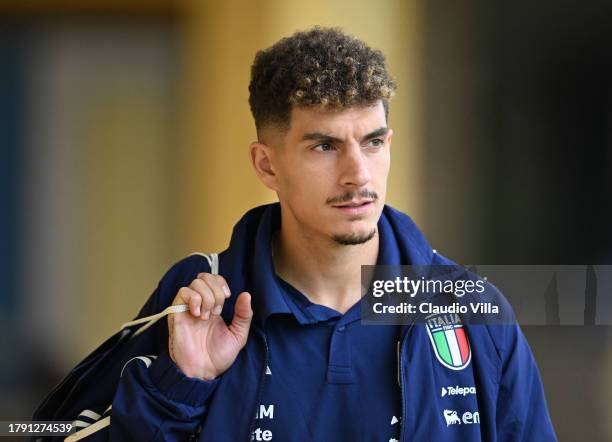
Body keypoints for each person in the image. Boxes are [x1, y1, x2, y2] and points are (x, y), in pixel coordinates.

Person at [33, 26, 557, 441]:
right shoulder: (201, 298)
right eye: (324, 147)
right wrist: (178, 388)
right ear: (266, 165)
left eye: (372, 142)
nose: (358, 174)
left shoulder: (470, 310)